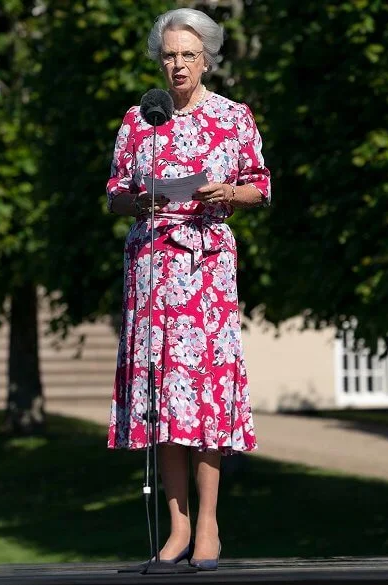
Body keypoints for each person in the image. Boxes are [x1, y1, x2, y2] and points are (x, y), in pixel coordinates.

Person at [106, 7, 271, 571]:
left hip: (206, 274)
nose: (177, 65)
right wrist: (141, 199)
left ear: (207, 59)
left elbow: (261, 187)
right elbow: (116, 192)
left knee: (204, 400)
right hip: (153, 273)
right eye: (169, 55)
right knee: (163, 400)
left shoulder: (233, 117)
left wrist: (229, 192)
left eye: (187, 55)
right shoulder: (139, 120)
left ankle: (208, 526)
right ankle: (175, 527)